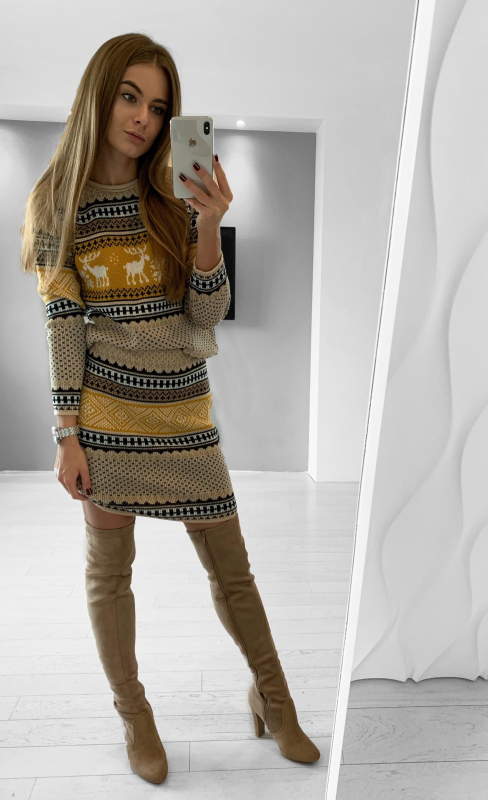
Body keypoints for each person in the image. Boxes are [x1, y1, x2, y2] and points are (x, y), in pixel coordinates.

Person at [20, 32, 320, 785]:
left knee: (233, 571)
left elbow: (207, 314)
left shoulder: (174, 198)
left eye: (158, 107)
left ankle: (275, 700)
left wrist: (208, 228)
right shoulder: (56, 203)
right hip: (107, 418)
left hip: (185, 413)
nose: (144, 119)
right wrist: (66, 432)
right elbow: (62, 322)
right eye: (130, 97)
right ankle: (135, 717)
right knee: (109, 575)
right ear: (99, 95)